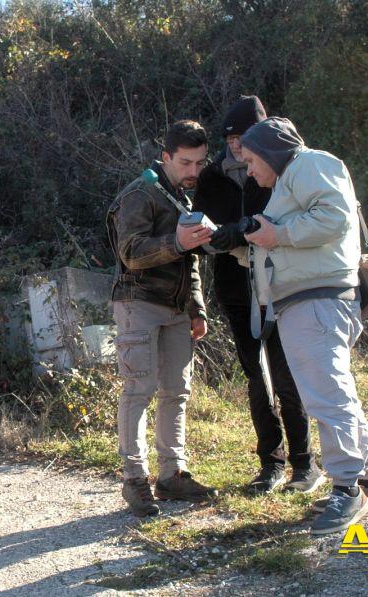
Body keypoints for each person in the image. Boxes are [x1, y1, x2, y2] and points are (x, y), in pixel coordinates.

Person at [240, 117, 368, 534]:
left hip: (316, 301)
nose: (250, 171)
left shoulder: (307, 165)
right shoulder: (292, 180)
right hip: (312, 300)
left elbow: (334, 218)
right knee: (336, 393)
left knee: (327, 398)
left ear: (271, 151)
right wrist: (241, 241)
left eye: (252, 160)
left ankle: (346, 490)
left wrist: (278, 234)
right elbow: (287, 240)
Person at [193, 96, 323, 494]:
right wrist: (214, 239)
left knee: (287, 375)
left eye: (243, 136)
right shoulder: (211, 176)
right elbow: (200, 236)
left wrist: (247, 230)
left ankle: (305, 463)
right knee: (256, 376)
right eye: (230, 137)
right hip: (235, 288)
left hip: (281, 284)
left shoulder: (286, 170)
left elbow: (291, 222)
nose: (236, 144)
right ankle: (271, 463)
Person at [106, 120, 219, 517]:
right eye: (186, 162)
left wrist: (197, 309)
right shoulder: (141, 193)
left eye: (200, 163)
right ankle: (134, 479)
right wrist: (176, 241)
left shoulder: (180, 197)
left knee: (177, 391)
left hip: (175, 309)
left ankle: (172, 474)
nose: (194, 171)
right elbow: (131, 253)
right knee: (139, 390)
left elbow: (189, 262)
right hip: (139, 303)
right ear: (166, 156)